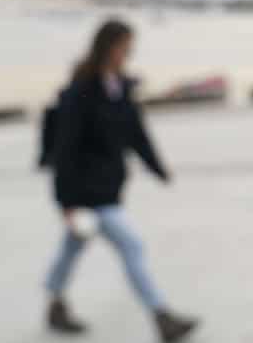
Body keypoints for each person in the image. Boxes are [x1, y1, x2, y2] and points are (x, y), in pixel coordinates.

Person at [44, 19, 198, 342]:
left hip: (108, 187)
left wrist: (158, 168)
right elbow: (64, 149)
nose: (129, 52)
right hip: (87, 193)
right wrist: (67, 202)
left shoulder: (121, 88)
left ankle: (54, 302)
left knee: (71, 250)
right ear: (109, 46)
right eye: (125, 45)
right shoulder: (80, 92)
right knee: (132, 246)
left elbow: (137, 135)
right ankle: (161, 317)